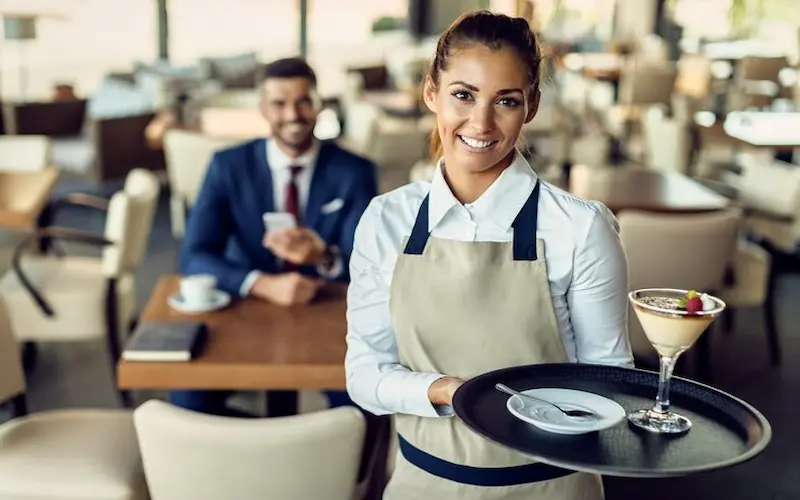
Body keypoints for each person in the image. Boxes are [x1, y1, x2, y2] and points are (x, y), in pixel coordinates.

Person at [345, 10, 632, 500]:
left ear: (532, 106)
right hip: (423, 485)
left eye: (506, 101)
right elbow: (364, 375)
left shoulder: (581, 228)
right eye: (463, 94)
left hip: (551, 488)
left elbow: (609, 383)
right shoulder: (386, 220)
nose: (481, 122)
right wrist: (448, 391)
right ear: (431, 92)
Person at [173, 57, 378, 417]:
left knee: (362, 404)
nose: (292, 114)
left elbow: (366, 265)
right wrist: (261, 283)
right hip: (245, 310)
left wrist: (324, 257)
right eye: (279, 103)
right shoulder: (227, 166)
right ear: (263, 109)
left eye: (303, 101)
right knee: (187, 400)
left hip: (328, 313)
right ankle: (261, 459)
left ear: (319, 105)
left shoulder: (354, 172)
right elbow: (195, 255)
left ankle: (343, 470)